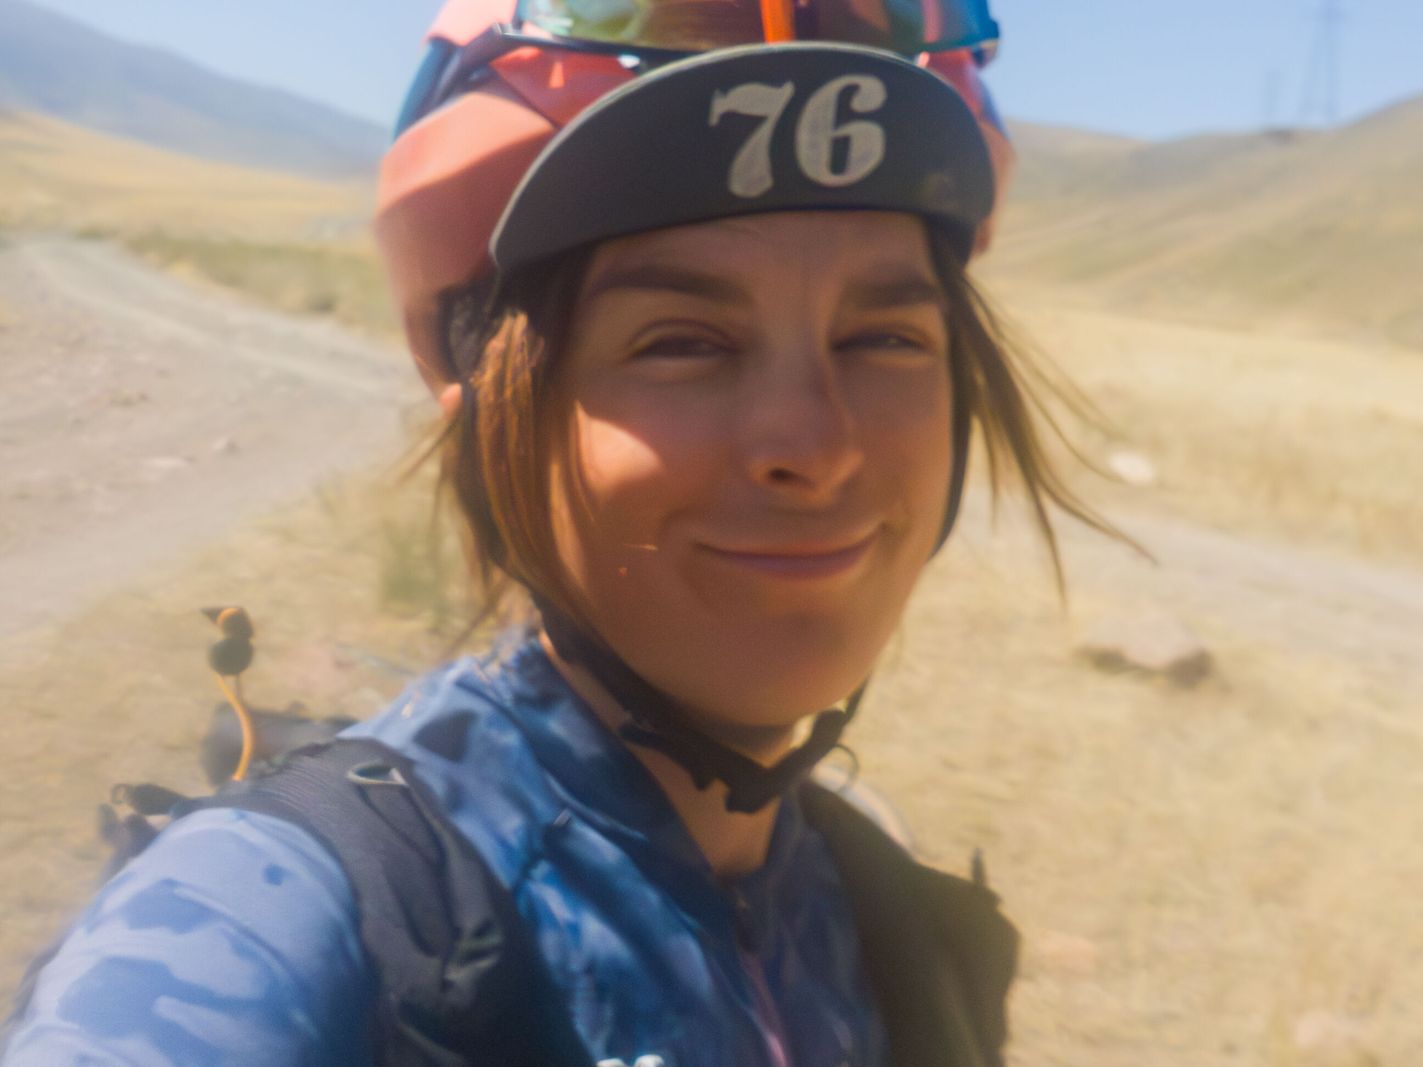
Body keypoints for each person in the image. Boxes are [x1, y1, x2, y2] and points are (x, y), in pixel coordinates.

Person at [3, 4, 1103, 1065]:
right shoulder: (293, 917)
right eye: (682, 341)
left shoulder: (878, 912)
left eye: (885, 336)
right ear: (491, 414)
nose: (816, 446)